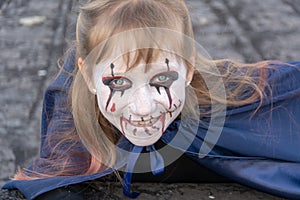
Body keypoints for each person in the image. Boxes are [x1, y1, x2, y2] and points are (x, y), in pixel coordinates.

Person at [3, 0, 300, 199]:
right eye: (118, 82)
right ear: (87, 75)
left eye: (162, 79)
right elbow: (54, 177)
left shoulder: (234, 94)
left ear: (188, 66)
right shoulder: (72, 115)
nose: (143, 107)